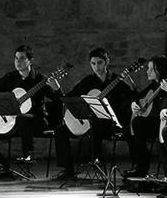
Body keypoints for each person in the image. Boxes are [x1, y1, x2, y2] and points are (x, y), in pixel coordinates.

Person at [0, 45, 62, 178]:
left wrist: (57, 89)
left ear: (30, 61)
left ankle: (28, 154)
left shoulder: (40, 80)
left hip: (36, 121)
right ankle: (3, 167)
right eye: (16, 58)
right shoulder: (10, 77)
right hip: (12, 122)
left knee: (22, 118)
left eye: (22, 58)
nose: (18, 61)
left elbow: (59, 101)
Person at [54, 48, 135, 180]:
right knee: (60, 131)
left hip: (109, 125)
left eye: (99, 63)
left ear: (107, 62)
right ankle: (68, 170)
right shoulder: (87, 81)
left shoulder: (117, 81)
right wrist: (57, 89)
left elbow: (132, 99)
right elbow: (69, 99)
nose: (96, 67)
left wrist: (131, 85)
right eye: (93, 63)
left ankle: (96, 161)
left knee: (97, 124)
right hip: (87, 124)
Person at [124, 56, 167, 178]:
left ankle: (142, 168)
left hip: (162, 123)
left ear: (160, 70)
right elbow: (137, 97)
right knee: (128, 129)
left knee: (138, 123)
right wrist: (133, 103)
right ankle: (136, 165)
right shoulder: (154, 85)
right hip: (154, 123)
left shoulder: (164, 85)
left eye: (151, 69)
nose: (147, 71)